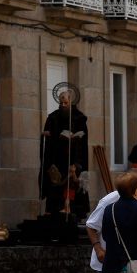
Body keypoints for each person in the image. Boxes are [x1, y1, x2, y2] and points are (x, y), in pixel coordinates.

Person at [39, 88, 89, 224]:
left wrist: (75, 139)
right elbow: (47, 132)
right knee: (54, 182)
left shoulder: (79, 118)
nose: (62, 105)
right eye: (61, 103)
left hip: (73, 156)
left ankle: (69, 209)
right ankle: (52, 209)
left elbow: (83, 141)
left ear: (71, 102)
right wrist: (47, 135)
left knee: (71, 181)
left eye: (65, 103)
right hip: (56, 156)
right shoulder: (53, 117)